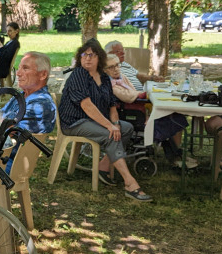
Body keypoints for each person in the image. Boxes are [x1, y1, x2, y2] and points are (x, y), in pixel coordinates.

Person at [58, 39, 152, 201]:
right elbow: (87, 106)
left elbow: (112, 106)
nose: (87, 58)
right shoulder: (79, 75)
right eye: (84, 55)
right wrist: (109, 126)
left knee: (126, 128)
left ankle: (103, 165)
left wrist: (115, 124)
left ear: (99, 58)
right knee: (110, 135)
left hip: (93, 120)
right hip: (75, 121)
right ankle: (130, 183)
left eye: (92, 55)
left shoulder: (104, 78)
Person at [104, 54, 194, 168]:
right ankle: (175, 157)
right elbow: (128, 96)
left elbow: (132, 91)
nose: (116, 69)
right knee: (173, 119)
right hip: (132, 115)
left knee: (174, 116)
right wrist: (146, 94)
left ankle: (176, 154)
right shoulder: (111, 84)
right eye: (111, 67)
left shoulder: (121, 77)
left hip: (138, 111)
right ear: (104, 70)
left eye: (117, 65)